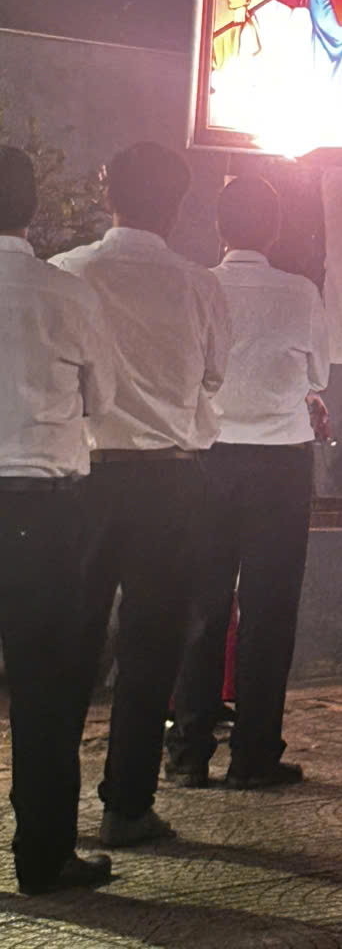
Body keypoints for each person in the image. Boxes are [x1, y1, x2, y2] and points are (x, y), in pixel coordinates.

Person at [51, 142, 232, 848]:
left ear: (107, 194)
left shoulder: (68, 272)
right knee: (152, 646)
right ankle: (127, 806)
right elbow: (214, 376)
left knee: (69, 643)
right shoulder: (199, 285)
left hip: (83, 477)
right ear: (179, 206)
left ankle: (48, 810)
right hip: (169, 479)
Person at [166, 175, 329, 789]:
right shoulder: (300, 292)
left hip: (206, 457)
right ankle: (254, 756)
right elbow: (318, 373)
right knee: (269, 610)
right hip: (281, 461)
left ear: (218, 226)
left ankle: (187, 754)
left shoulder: (196, 285)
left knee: (200, 605)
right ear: (276, 229)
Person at [0, 147, 115, 895]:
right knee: (46, 689)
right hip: (43, 512)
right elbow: (104, 399)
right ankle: (44, 855)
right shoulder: (66, 293)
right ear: (31, 208)